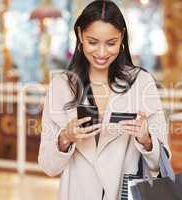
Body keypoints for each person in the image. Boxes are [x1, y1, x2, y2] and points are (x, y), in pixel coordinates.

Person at [38, 1, 170, 200]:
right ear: (80, 34)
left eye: (111, 43)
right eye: (92, 42)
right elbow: (48, 166)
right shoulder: (61, 86)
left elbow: (162, 163)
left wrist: (146, 140)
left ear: (122, 38)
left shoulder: (141, 83)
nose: (101, 53)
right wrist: (65, 138)